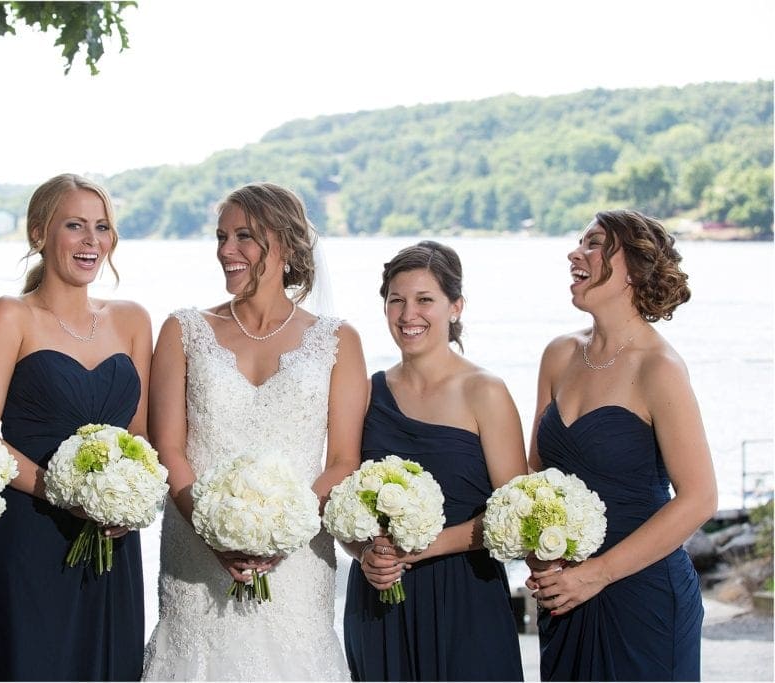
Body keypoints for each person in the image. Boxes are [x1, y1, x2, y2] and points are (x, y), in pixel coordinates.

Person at [141, 182, 368, 681]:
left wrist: (280, 536)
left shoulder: (337, 340)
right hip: (195, 555)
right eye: (221, 236)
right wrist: (214, 532)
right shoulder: (183, 330)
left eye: (244, 236)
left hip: (297, 558)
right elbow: (169, 447)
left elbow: (343, 460)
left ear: (285, 244)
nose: (226, 250)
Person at [0, 174, 152, 681]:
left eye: (102, 227)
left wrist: (129, 500)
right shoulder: (12, 314)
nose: (92, 241)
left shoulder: (133, 320)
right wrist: (65, 493)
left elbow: (142, 439)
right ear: (38, 235)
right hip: (30, 536)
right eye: (75, 226)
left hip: (113, 544)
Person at [526, 209, 717, 681]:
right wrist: (542, 556)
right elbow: (534, 479)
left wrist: (596, 574)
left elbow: (700, 498)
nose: (576, 253)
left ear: (632, 268)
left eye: (593, 244)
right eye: (579, 242)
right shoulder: (559, 354)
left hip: (642, 593)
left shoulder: (659, 368)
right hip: (565, 593)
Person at [341, 241, 527, 681]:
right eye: (396, 301)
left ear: (455, 307)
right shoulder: (366, 393)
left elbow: (517, 518)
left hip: (465, 595)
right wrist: (365, 552)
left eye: (425, 300)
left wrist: (425, 547)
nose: (409, 315)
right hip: (379, 598)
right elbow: (340, 504)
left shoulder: (486, 392)